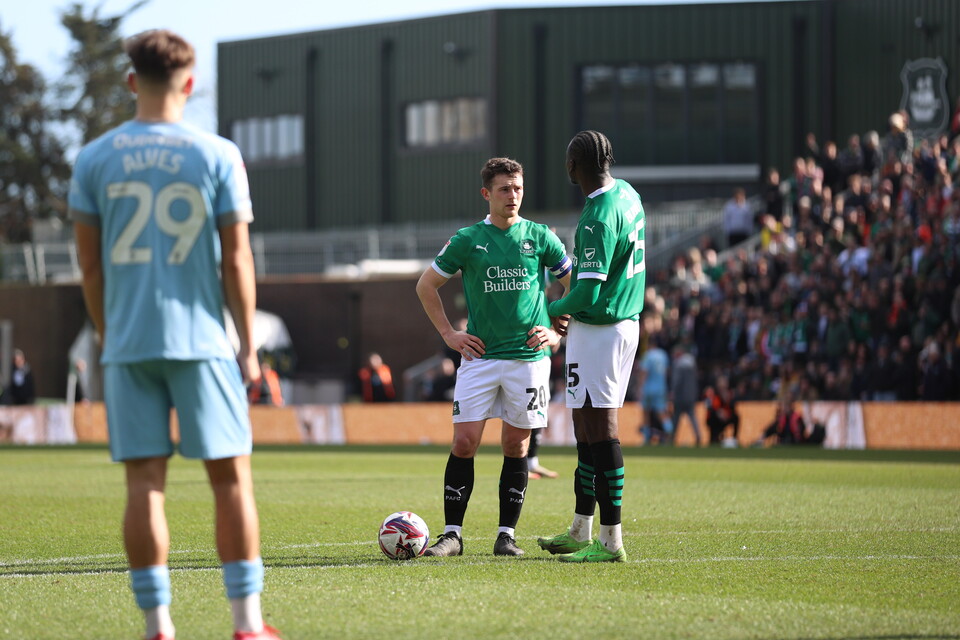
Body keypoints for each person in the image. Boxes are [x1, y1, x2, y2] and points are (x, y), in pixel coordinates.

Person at [69, 30, 281, 640]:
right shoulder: (217, 154)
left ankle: (158, 628)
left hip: (129, 343)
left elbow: (89, 267)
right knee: (231, 479)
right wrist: (247, 346)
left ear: (132, 82)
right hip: (202, 343)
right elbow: (236, 260)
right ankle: (245, 625)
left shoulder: (93, 158)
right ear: (189, 84)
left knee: (144, 484)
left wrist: (111, 336)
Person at [415, 157, 572, 557]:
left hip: (528, 359)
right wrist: (450, 334)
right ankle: (452, 535)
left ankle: (506, 536)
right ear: (487, 193)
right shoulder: (467, 239)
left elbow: (576, 287)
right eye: (504, 188)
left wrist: (556, 331)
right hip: (480, 359)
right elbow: (426, 285)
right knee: (465, 442)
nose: (513, 195)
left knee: (516, 446)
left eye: (518, 187)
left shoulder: (541, 237)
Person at [537, 130, 645, 563]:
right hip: (618, 324)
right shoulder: (628, 194)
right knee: (585, 429)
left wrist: (552, 307)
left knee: (602, 430)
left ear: (571, 168)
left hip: (601, 328)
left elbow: (588, 294)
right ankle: (581, 529)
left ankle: (611, 540)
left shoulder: (599, 214)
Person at [636, 336, 672, 445]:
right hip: (661, 388)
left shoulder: (647, 355)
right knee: (662, 413)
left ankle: (646, 439)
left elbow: (644, 373)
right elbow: (666, 371)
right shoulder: (663, 355)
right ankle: (670, 434)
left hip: (648, 388)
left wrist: (639, 388)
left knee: (646, 413)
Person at [670, 344, 702, 446]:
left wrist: (673, 392)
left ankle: (672, 438)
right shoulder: (692, 364)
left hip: (680, 396)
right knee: (692, 417)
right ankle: (698, 436)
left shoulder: (679, 365)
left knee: (676, 419)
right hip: (691, 396)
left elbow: (677, 381)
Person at [705, 376, 740, 446]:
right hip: (715, 419)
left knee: (736, 417)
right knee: (713, 417)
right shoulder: (713, 393)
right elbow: (710, 407)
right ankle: (713, 439)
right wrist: (719, 412)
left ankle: (734, 439)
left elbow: (733, 408)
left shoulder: (730, 393)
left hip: (725, 417)